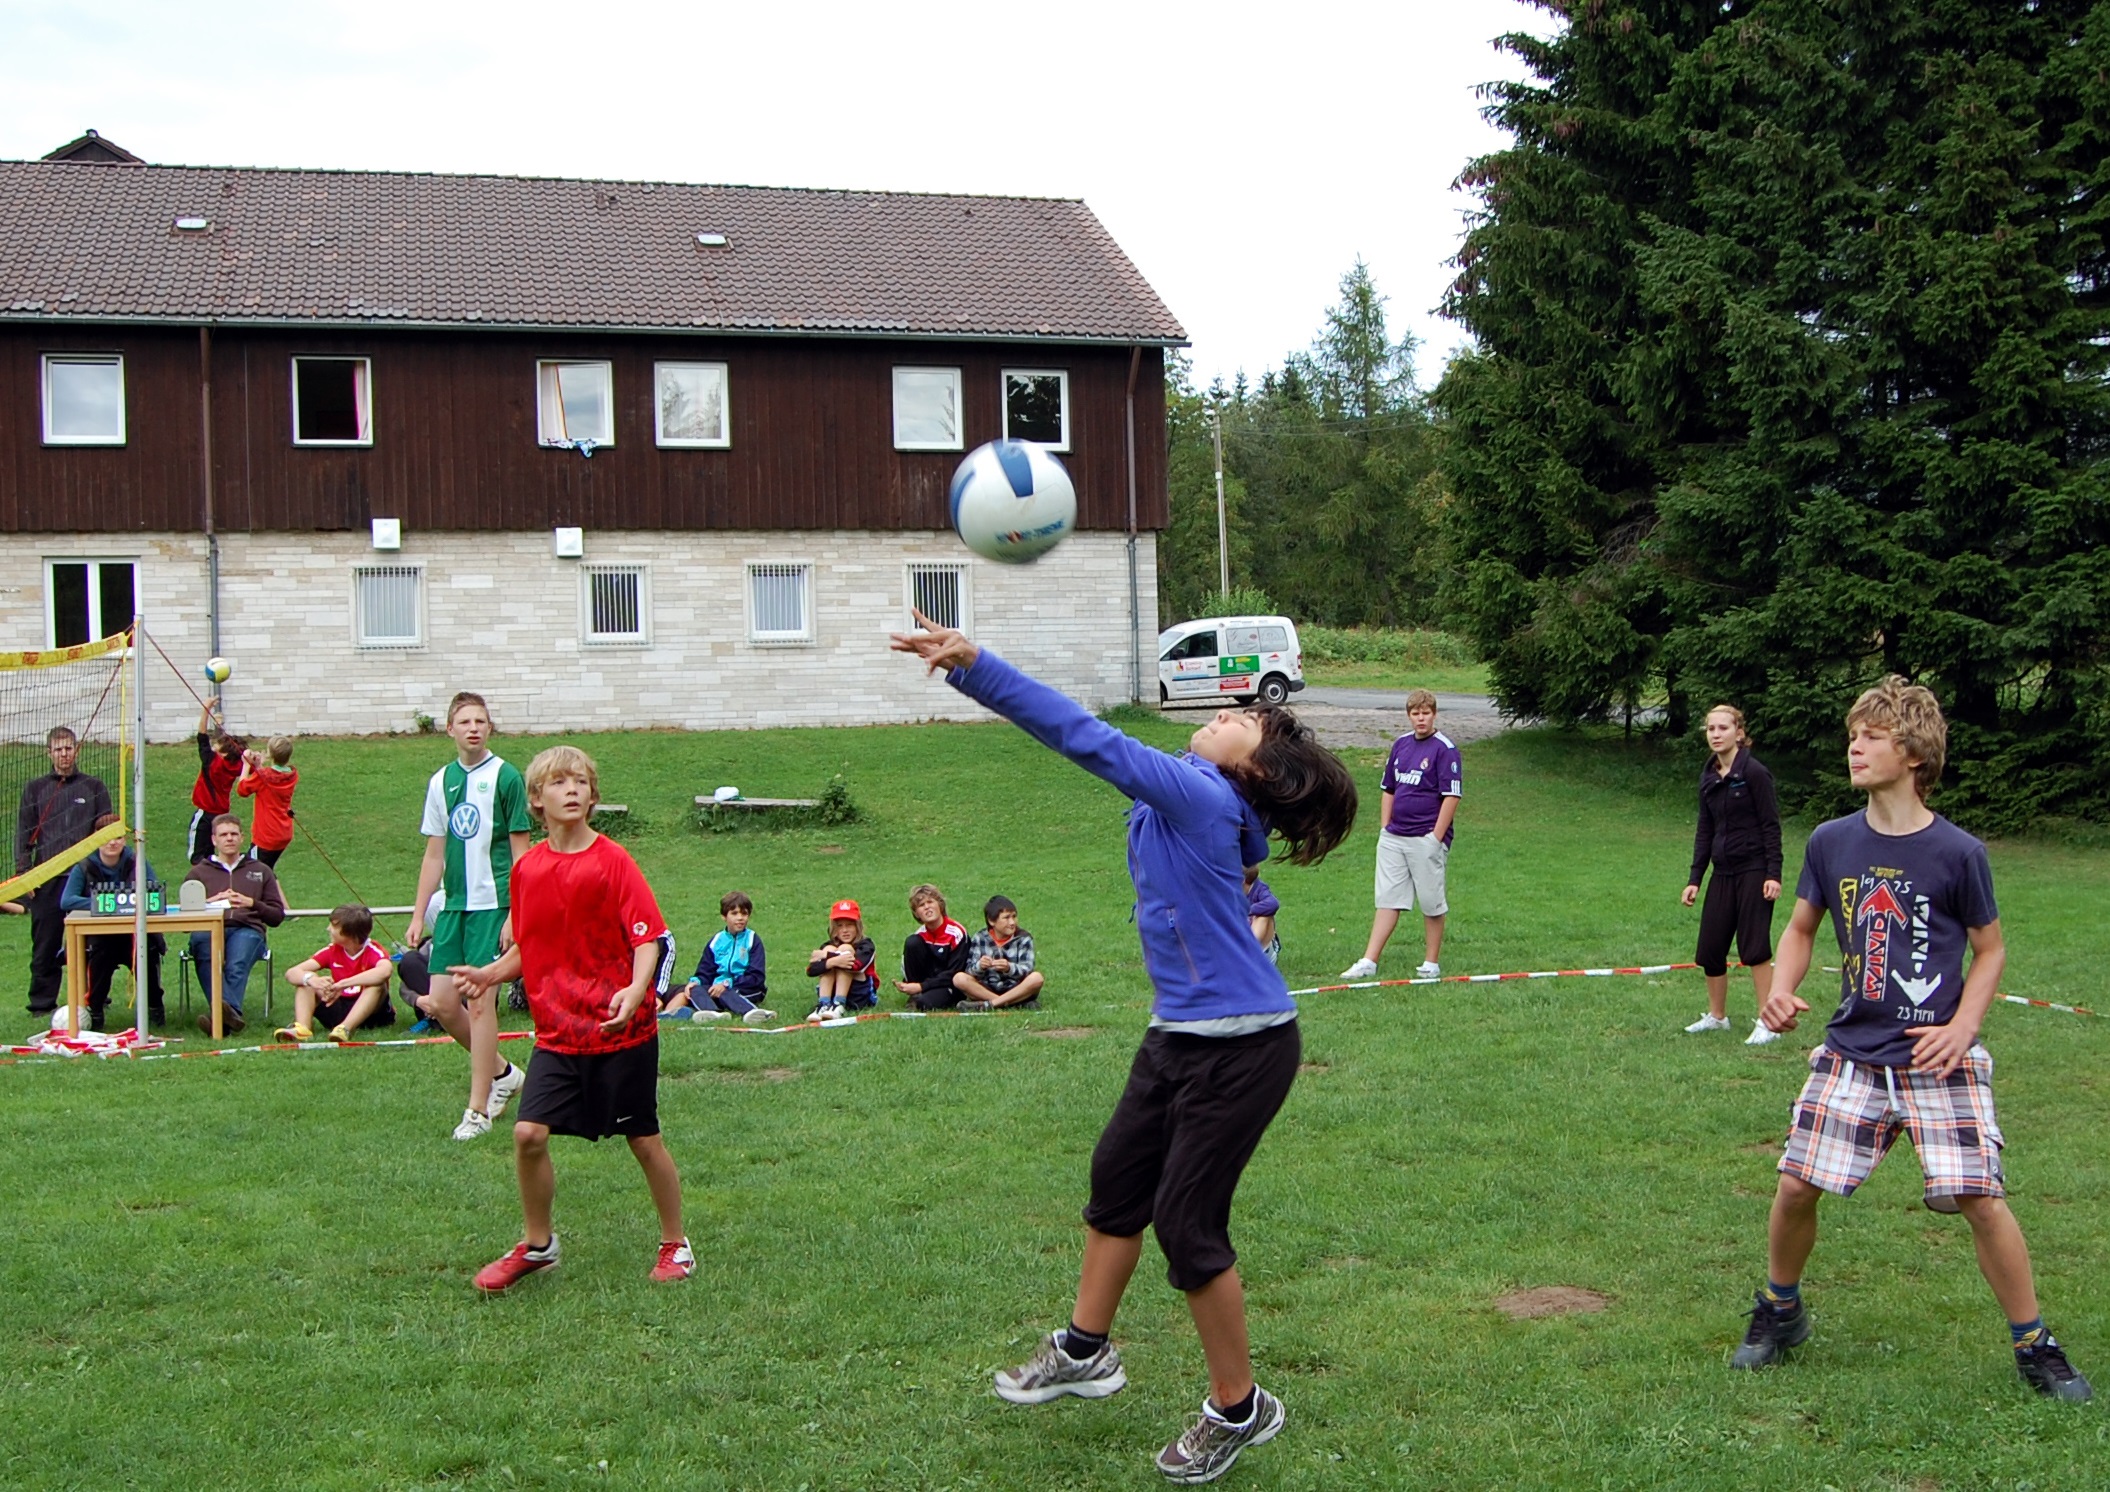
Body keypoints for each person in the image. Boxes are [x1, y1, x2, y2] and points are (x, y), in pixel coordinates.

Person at [892, 609, 1357, 1485]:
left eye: (1240, 721)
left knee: (1186, 1222)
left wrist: (976, 665)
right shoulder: (1199, 789)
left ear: (1252, 768)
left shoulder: (1201, 795)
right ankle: (1084, 1350)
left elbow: (1088, 740)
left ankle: (1239, 1407)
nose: (1223, 712)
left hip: (1245, 1045)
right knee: (1116, 1189)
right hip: (1178, 1032)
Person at [1731, 677, 2090, 1402]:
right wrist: (1780, 986)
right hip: (1853, 1051)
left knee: (1979, 1198)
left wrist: (1963, 1027)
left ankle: (2034, 1344)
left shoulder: (1959, 853)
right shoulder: (1832, 841)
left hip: (1936, 1057)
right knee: (1796, 1183)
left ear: (1915, 752)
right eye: (1852, 733)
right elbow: (1800, 929)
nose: (1854, 745)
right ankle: (1780, 1309)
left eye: (1871, 734)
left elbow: (1990, 950)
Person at [448, 744, 692, 1293]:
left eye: (581, 781)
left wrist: (635, 989)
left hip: (620, 1031)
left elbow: (647, 937)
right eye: (559, 783)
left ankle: (676, 1244)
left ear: (593, 795)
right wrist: (490, 974)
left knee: (644, 1140)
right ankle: (539, 1246)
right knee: (529, 1134)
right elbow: (529, 948)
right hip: (559, 1034)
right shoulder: (529, 869)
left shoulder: (614, 861)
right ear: (537, 799)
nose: (572, 790)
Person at [406, 692, 532, 1141]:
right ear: (450, 729)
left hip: (494, 905)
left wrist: (516, 913)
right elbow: (433, 854)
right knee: (440, 1003)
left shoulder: (507, 777)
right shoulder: (440, 782)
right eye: (465, 721)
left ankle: (477, 1110)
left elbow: (522, 854)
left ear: (490, 728)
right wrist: (420, 914)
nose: (473, 727)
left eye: (481, 720)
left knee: (480, 1003)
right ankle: (502, 1073)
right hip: (455, 907)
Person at [1681, 704, 1784, 1043]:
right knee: (1710, 949)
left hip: (1754, 869)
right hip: (1722, 871)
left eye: (1723, 728)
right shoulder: (1709, 775)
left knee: (1754, 948)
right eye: (1711, 729)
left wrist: (1773, 873)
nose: (1716, 734)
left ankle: (1768, 1022)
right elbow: (1705, 828)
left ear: (1739, 733)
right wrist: (1695, 878)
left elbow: (1771, 826)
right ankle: (1717, 1016)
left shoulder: (1754, 773)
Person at [1341, 688, 1460, 982]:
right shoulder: (1401, 745)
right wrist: (1385, 827)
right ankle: (1369, 960)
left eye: (1426, 713)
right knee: (1388, 899)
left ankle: (1431, 964)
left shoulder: (1445, 749)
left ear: (1434, 714)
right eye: (1416, 714)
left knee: (1431, 901)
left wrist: (1435, 837)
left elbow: (1451, 796)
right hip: (1395, 836)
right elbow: (1389, 789)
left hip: (1425, 837)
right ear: (1409, 716)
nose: (1421, 719)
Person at [15, 724, 112, 1014]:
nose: (64, 754)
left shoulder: (93, 787)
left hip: (86, 879)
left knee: (93, 944)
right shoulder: (35, 789)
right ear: (49, 753)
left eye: (68, 747)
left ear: (76, 749)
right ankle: (42, 1004)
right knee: (45, 944)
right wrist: (24, 874)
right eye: (58, 749)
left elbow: (106, 831)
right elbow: (23, 833)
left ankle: (94, 998)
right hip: (47, 879)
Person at [58, 813, 165, 1029]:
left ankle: (155, 1007)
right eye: (107, 837)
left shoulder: (137, 861)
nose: (113, 842)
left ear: (124, 840)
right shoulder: (84, 866)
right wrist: (106, 903)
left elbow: (154, 892)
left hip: (133, 934)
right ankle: (95, 1012)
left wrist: (120, 901)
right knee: (100, 961)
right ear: (96, 839)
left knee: (147, 956)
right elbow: (67, 900)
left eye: (118, 837)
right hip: (99, 936)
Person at [185, 813, 287, 1033]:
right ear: (214, 840)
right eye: (223, 835)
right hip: (208, 928)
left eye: (233, 834)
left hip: (248, 929)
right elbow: (185, 917)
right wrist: (208, 903)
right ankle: (229, 1017)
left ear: (242, 838)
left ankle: (221, 1016)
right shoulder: (198, 873)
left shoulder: (260, 871)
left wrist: (252, 903)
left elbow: (277, 916)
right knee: (204, 949)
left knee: (236, 962)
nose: (229, 839)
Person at [276, 903, 396, 1043]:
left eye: (333, 926)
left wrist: (343, 984)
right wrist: (310, 979)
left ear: (349, 933)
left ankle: (345, 1029)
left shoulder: (373, 951)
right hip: (338, 1005)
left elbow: (385, 971)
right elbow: (292, 972)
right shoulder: (332, 950)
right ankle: (302, 1029)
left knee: (376, 985)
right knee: (305, 981)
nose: (328, 929)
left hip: (373, 1016)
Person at [669, 890, 774, 1025]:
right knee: (695, 989)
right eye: (734, 913)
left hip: (746, 988)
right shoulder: (717, 941)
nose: (740, 918)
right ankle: (713, 1013)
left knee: (726, 992)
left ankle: (752, 1012)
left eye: (744, 914)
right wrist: (696, 981)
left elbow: (757, 977)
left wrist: (727, 983)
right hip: (717, 988)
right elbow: (705, 971)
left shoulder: (753, 940)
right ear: (724, 916)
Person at [953, 894, 1044, 1011]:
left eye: (1014, 917)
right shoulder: (980, 937)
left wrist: (1008, 968)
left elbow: (1027, 969)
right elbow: (969, 971)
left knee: (1037, 978)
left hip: (1015, 987)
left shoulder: (1023, 938)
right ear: (991, 921)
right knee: (959, 978)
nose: (1012, 922)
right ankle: (1008, 1003)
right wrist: (980, 966)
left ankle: (988, 1005)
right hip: (988, 988)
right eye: (1006, 918)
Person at [187, 697, 246, 864]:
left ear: (224, 753)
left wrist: (205, 710)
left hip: (205, 814)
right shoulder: (236, 766)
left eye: (218, 746)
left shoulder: (212, 763)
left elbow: (202, 737)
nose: (214, 747)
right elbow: (230, 749)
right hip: (222, 813)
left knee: (197, 856)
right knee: (214, 853)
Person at [896, 883, 972, 1011]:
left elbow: (954, 972)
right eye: (921, 905)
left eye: (930, 902)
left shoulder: (956, 933)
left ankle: (923, 995)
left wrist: (922, 986)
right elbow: (907, 967)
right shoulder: (919, 935)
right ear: (916, 913)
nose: (927, 907)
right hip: (927, 982)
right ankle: (915, 995)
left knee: (925, 1004)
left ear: (940, 905)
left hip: (950, 984)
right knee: (912, 942)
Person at [806, 899, 876, 1022]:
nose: (844, 930)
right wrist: (832, 960)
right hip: (832, 990)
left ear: (857, 926)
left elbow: (856, 966)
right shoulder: (827, 946)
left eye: (849, 925)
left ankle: (839, 1003)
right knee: (831, 949)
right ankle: (824, 1004)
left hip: (859, 995)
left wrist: (827, 957)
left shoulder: (866, 945)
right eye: (839, 926)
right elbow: (811, 970)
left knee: (846, 949)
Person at [237, 735, 299, 868]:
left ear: (270, 753)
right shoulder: (292, 775)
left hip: (266, 836)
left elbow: (242, 789)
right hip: (283, 833)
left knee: (250, 872)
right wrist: (259, 766)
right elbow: (270, 781)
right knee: (266, 871)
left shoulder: (263, 777)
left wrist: (246, 764)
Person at [1245, 868, 1280, 965]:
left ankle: (1248, 952)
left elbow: (1273, 904)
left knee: (1263, 915)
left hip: (1262, 950)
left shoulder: (1259, 888)